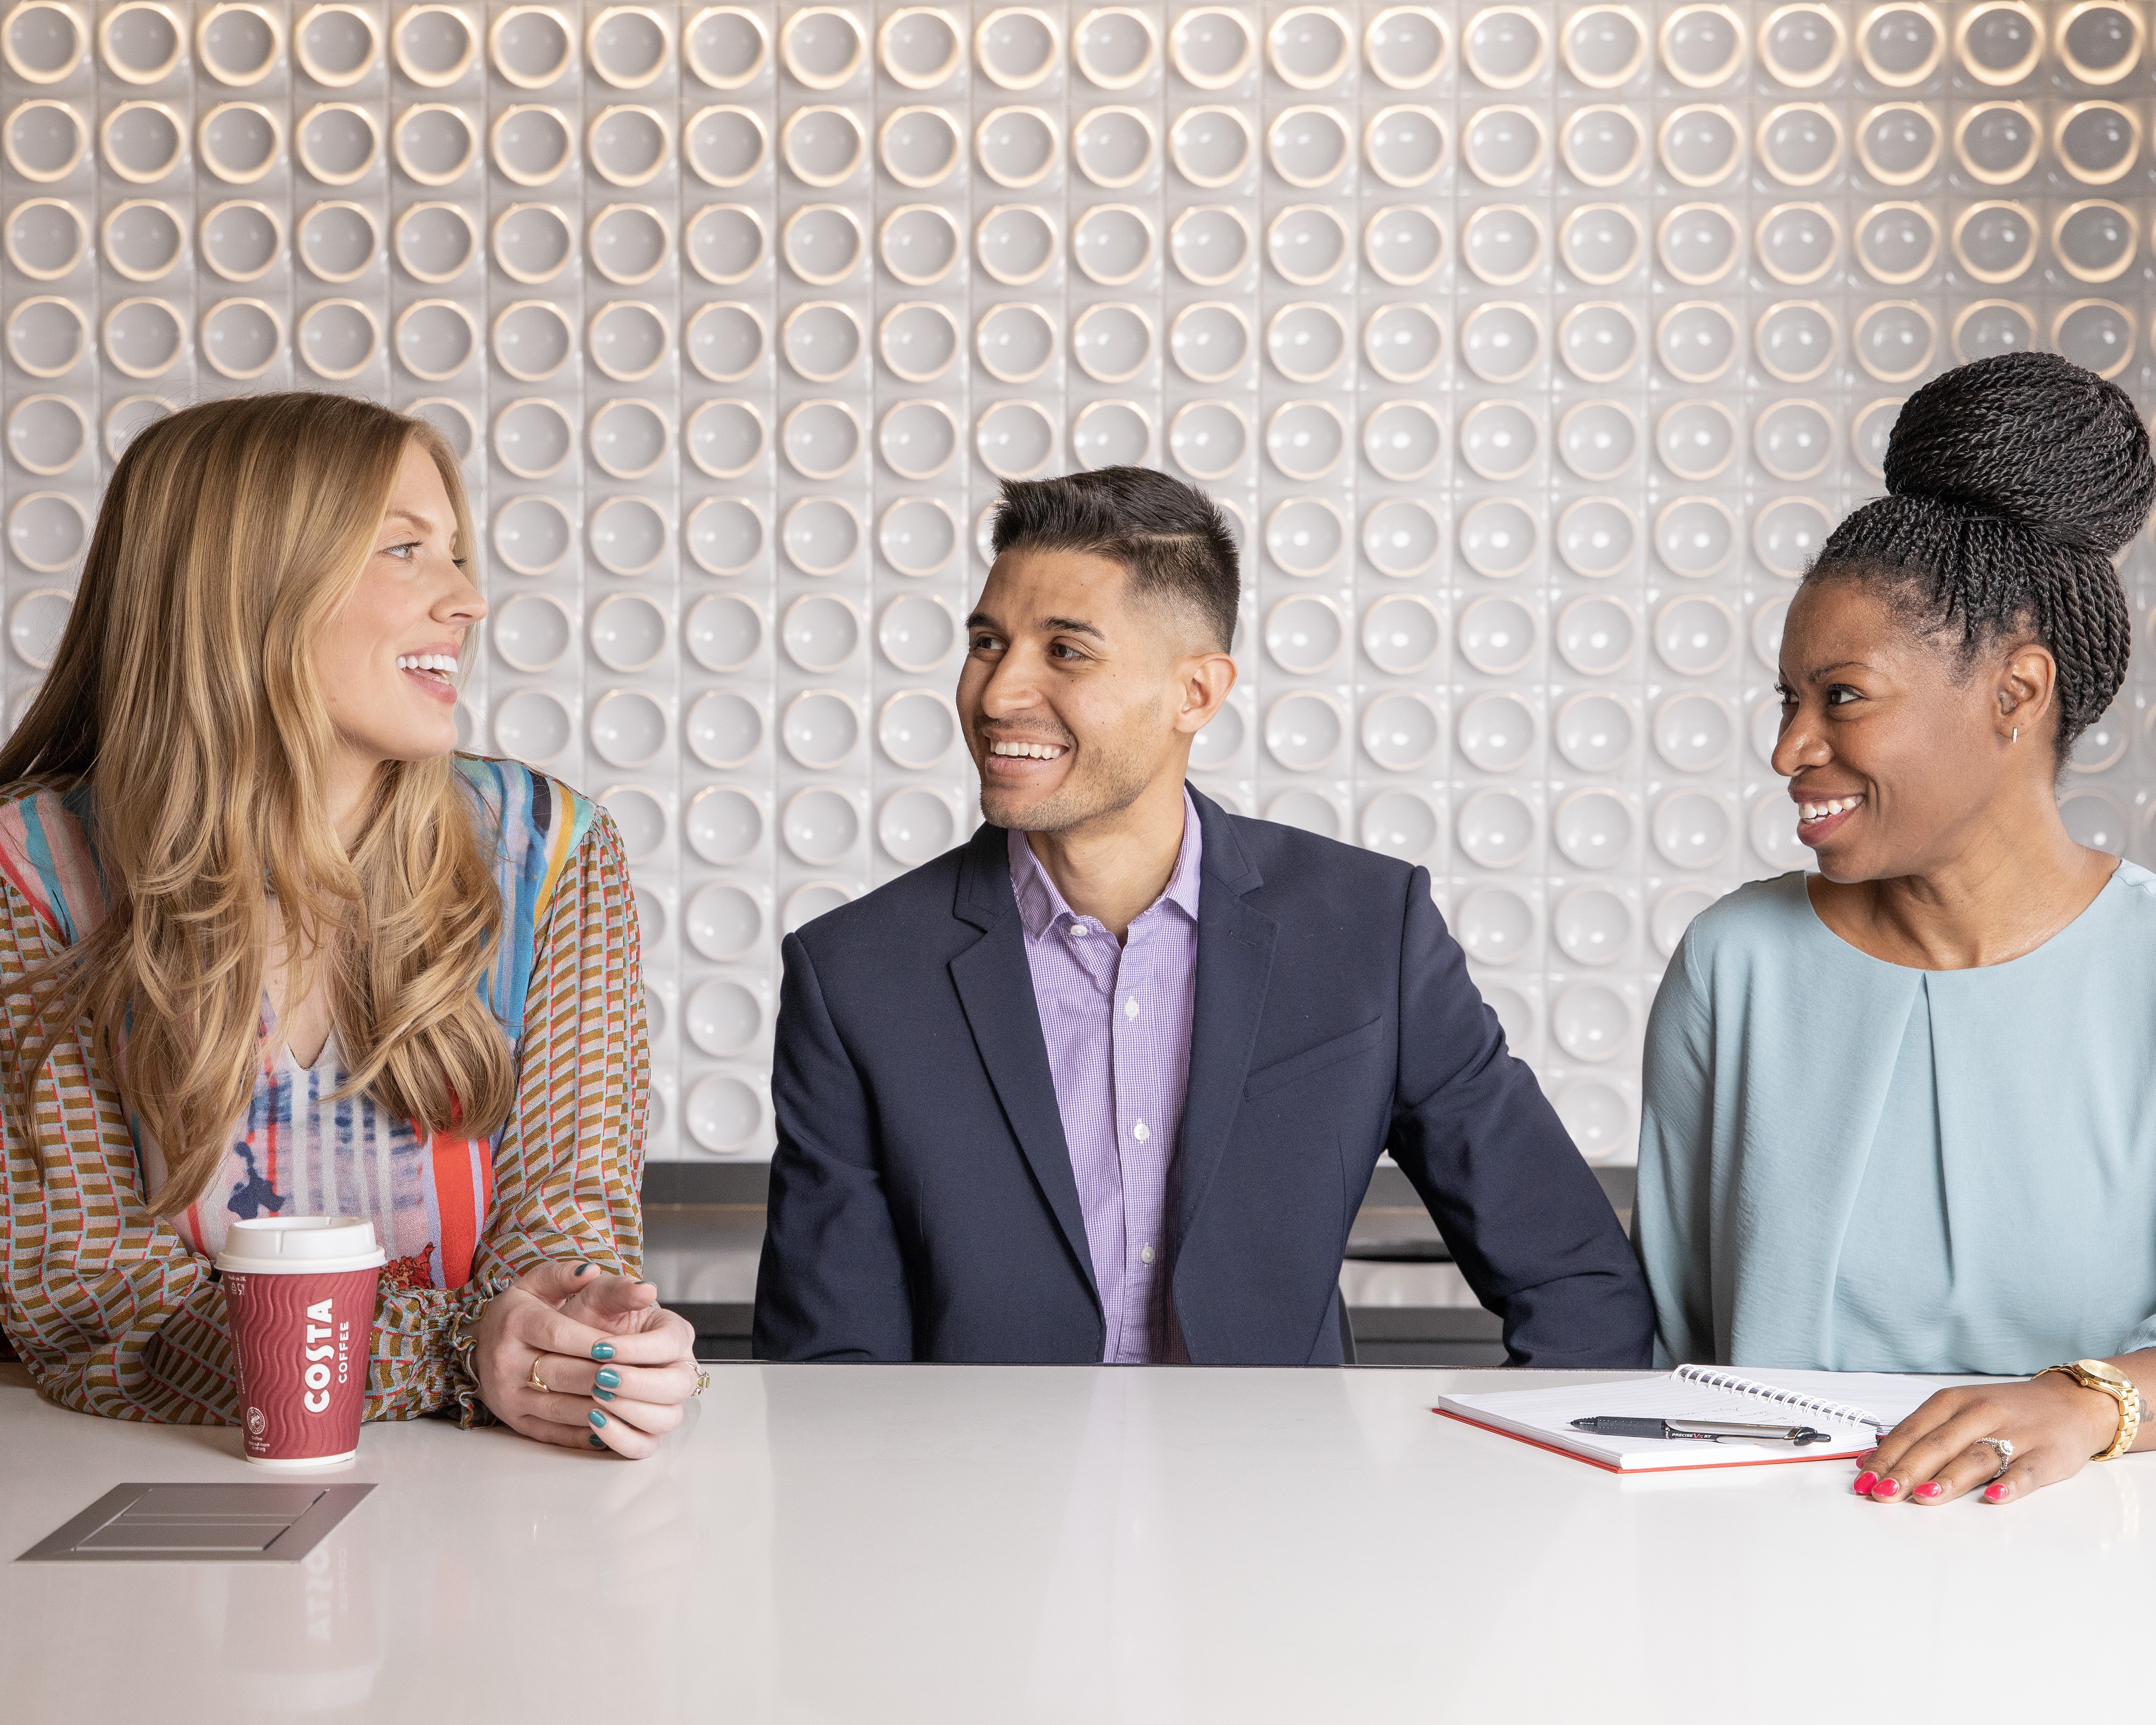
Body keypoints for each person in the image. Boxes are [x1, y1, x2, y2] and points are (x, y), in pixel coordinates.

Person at [755, 466, 1650, 1366]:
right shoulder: (854, 976)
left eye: (1065, 650)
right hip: (983, 1499)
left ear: (1197, 691)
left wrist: (1459, 1498)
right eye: (989, 642)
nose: (995, 694)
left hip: (1280, 1502)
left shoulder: (1371, 931)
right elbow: (830, 1373)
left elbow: (1578, 1285)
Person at [0, 392, 695, 1458]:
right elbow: (100, 1308)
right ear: (250, 589)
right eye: (408, 550)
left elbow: (566, 1231)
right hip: (156, 1487)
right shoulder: (33, 877)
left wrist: (586, 1335)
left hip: (487, 1489)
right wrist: (467, 1347)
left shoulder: (554, 851)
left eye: (456, 554)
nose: (467, 599)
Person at [1635, 350, 2156, 1507]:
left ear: (2017, 694)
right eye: (1787, 700)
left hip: (2093, 1579)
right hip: (1761, 1569)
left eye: (1843, 696)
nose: (1790, 750)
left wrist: (2094, 1399)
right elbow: (1668, 1333)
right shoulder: (1737, 968)